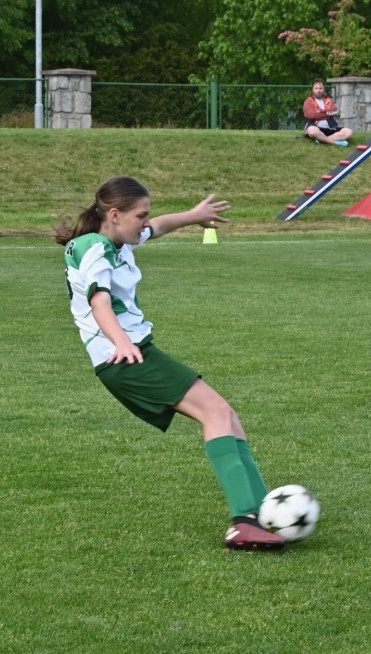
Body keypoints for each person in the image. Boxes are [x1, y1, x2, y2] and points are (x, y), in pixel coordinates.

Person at [55, 176, 284, 551]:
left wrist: (194, 216)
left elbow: (158, 227)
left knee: (226, 415)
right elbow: (99, 301)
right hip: (124, 356)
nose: (146, 222)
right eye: (140, 215)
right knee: (216, 413)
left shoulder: (115, 239)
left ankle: (263, 513)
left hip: (131, 351)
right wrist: (123, 341)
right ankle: (245, 522)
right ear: (114, 214)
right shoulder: (94, 247)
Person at [302, 79, 353, 147]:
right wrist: (326, 113)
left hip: (330, 127)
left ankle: (322, 140)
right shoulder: (308, 101)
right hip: (316, 127)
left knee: (349, 132)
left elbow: (334, 109)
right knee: (312, 131)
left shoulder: (329, 101)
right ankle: (335, 142)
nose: (318, 90)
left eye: (320, 88)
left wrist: (319, 112)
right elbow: (311, 115)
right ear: (313, 90)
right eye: (316, 88)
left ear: (324, 89)